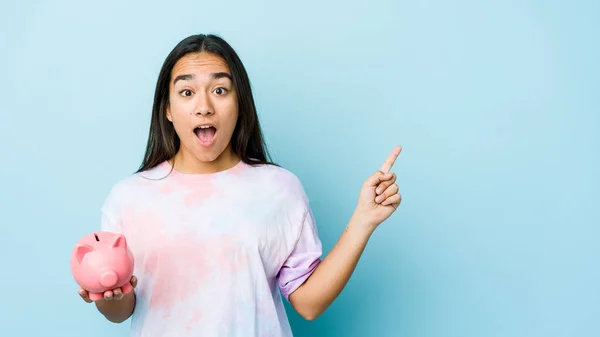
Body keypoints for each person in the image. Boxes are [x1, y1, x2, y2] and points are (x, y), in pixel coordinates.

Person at [77, 33, 402, 336]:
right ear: (169, 110)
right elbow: (122, 311)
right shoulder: (129, 198)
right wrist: (108, 295)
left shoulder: (279, 189)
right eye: (187, 92)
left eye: (219, 90)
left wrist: (363, 220)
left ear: (239, 104)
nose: (204, 106)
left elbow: (309, 303)